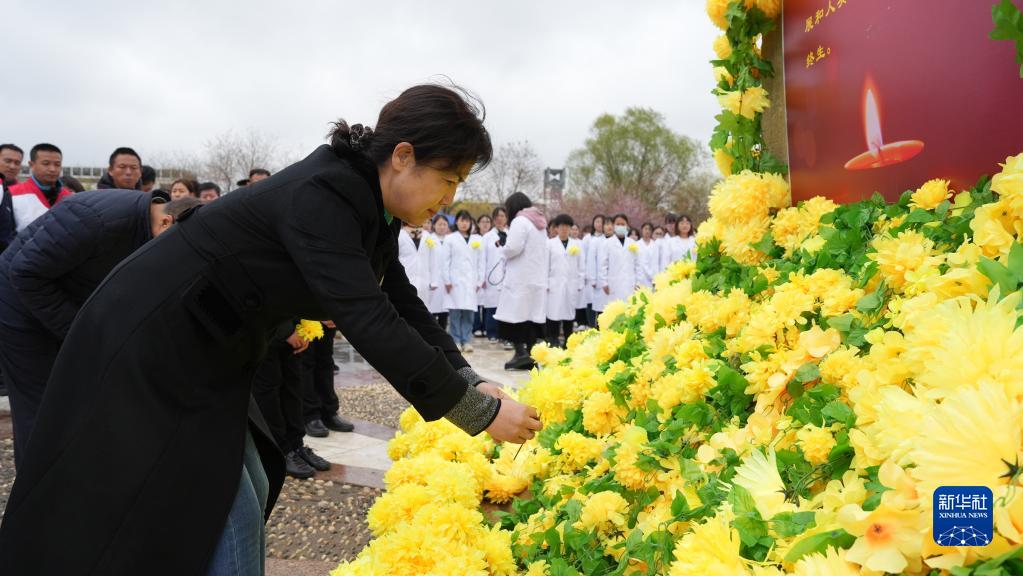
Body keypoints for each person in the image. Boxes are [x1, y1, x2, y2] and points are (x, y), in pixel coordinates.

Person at [0, 83, 541, 575]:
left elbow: (400, 303)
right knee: (216, 504)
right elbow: (367, 317)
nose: (449, 198)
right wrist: (475, 412)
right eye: (447, 180)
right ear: (403, 157)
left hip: (208, 351)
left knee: (252, 482)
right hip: (156, 345)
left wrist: (468, 379)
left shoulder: (369, 206)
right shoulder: (325, 192)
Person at [0, 190, 197, 468]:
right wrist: (78, 331)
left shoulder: (144, 227)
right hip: (17, 309)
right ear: (166, 222)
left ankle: (71, 482)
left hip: (58, 304)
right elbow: (25, 272)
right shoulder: (97, 220)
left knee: (73, 401)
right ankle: (38, 499)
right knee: (43, 407)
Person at [495, 192, 548, 370]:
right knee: (531, 318)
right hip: (536, 278)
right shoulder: (539, 223)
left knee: (515, 316)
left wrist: (503, 247)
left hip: (520, 279)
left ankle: (520, 353)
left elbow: (514, 248)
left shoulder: (520, 220)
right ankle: (531, 354)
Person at [302, 321, 355, 437]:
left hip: (324, 310)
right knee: (306, 362)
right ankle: (310, 415)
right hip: (304, 313)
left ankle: (328, 411)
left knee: (325, 359)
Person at [9, 143, 73, 231]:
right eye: (46, 164)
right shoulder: (12, 195)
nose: (52, 169)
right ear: (31, 165)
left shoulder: (70, 198)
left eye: (57, 164)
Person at [442, 210, 480, 352]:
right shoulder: (450, 239)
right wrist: (447, 280)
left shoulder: (477, 239)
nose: (464, 223)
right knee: (455, 313)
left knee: (469, 313)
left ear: (470, 223)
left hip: (471, 281)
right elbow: (445, 261)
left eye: (467, 220)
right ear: (456, 222)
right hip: (454, 281)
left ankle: (467, 340)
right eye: (461, 220)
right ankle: (456, 340)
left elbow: (480, 261)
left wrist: (480, 280)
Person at [546, 214, 583, 348]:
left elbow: (581, 265)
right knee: (553, 312)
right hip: (554, 283)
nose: (564, 229)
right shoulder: (550, 244)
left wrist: (580, 282)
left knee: (569, 313)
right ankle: (553, 339)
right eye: (561, 226)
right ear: (556, 228)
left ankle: (568, 340)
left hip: (571, 284)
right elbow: (546, 265)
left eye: (567, 226)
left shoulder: (576, 245)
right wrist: (546, 283)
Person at [598, 213, 641, 306]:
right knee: (614, 312)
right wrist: (604, 283)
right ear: (613, 226)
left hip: (630, 284)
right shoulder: (607, 243)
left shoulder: (633, 243)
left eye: (623, 224)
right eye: (618, 224)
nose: (620, 226)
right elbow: (602, 265)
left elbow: (638, 265)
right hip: (613, 284)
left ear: (627, 226)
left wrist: (638, 282)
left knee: (629, 311)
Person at [480, 206, 506, 342]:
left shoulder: (511, 234)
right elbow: (482, 258)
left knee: (506, 306)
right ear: (494, 219)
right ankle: (492, 333)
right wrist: (482, 277)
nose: (500, 219)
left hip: (507, 276)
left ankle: (504, 334)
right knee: (491, 306)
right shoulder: (487, 237)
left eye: (502, 216)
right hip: (491, 275)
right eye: (497, 216)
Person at [430, 213, 452, 329]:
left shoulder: (451, 240)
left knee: (445, 308)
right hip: (434, 279)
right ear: (434, 226)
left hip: (447, 280)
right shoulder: (429, 239)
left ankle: (443, 330)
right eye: (439, 224)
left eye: (444, 224)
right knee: (432, 307)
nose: (442, 227)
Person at [583, 215, 605, 327]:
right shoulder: (587, 239)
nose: (599, 224)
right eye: (597, 221)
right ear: (593, 223)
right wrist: (588, 275)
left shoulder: (606, 238)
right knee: (590, 302)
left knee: (602, 304)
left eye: (602, 222)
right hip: (590, 275)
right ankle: (591, 325)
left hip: (603, 277)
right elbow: (584, 257)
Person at [636, 222, 660, 288]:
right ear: (642, 230)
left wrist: (655, 278)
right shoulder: (636, 245)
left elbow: (656, 263)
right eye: (645, 229)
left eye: (649, 229)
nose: (647, 231)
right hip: (640, 278)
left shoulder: (655, 245)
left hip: (652, 279)